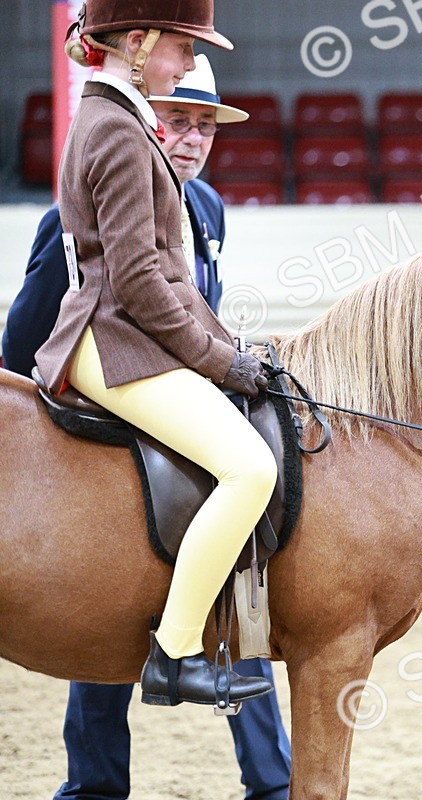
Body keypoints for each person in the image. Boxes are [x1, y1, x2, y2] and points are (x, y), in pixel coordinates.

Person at [3, 54, 292, 799]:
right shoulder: (71, 211)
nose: (193, 139)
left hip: (174, 403)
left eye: (206, 126)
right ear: (148, 123)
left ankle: (271, 783)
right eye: (178, 121)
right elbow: (33, 328)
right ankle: (95, 786)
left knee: (234, 575)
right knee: (103, 604)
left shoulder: (211, 210)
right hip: (101, 424)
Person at [35, 0, 278, 709]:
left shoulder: (121, 116)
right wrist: (217, 361)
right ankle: (174, 653)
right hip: (113, 343)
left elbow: (164, 274)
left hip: (126, 334)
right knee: (248, 468)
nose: (189, 63)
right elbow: (140, 282)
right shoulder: (114, 128)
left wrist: (233, 347)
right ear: (137, 43)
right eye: (180, 46)